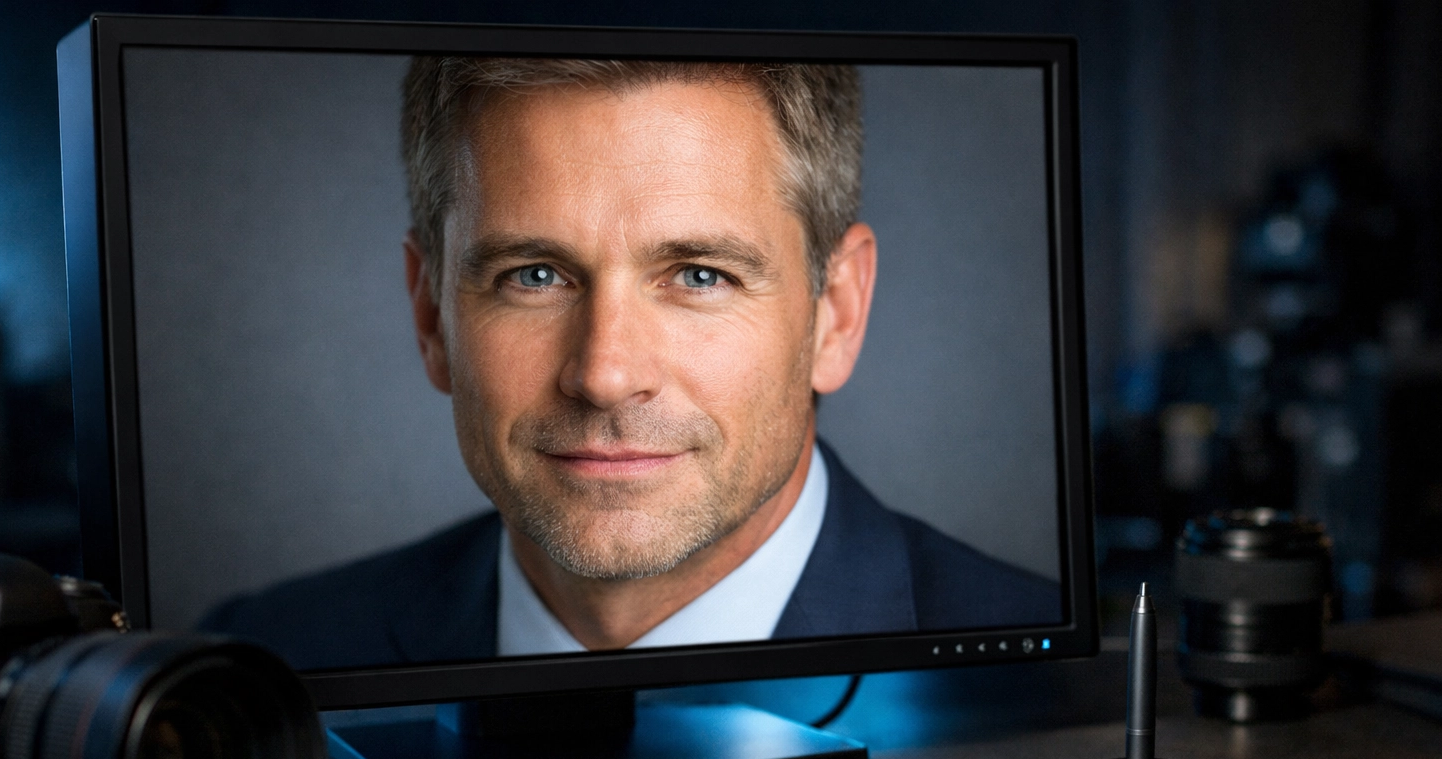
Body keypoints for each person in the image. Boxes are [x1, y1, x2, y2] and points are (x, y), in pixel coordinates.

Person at [203, 57, 1059, 670]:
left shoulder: (1043, 680)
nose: (606, 374)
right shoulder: (269, 661)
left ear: (835, 313)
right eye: (534, 275)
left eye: (699, 275)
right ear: (432, 314)